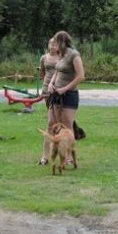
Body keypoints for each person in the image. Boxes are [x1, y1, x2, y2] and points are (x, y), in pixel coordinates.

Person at [44, 31, 85, 163]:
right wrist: (51, 83)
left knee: (67, 126)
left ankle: (68, 157)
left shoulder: (74, 55)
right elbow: (56, 71)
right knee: (51, 124)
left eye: (56, 42)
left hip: (69, 95)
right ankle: (46, 157)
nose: (54, 45)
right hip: (55, 94)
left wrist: (65, 89)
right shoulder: (61, 55)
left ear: (62, 42)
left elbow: (81, 76)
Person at [39, 37, 61, 165]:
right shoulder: (44, 58)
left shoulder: (62, 57)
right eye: (50, 44)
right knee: (51, 122)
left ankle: (63, 151)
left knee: (60, 121)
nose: (52, 47)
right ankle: (45, 156)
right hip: (47, 91)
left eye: (55, 45)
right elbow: (43, 72)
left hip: (60, 90)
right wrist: (46, 85)